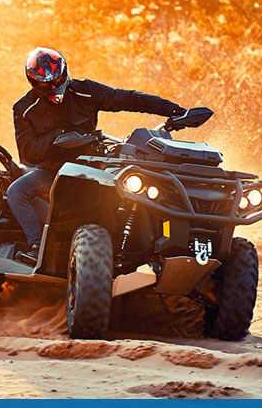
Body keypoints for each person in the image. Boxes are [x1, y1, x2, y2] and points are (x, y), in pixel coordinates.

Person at [9, 47, 185, 263]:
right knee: (16, 191)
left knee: (143, 187)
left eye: (58, 79)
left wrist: (175, 111)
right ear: (34, 82)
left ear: (65, 71)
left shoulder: (86, 90)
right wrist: (58, 138)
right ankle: (36, 247)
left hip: (96, 167)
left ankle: (156, 246)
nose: (54, 86)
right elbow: (28, 151)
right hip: (54, 172)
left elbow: (128, 99)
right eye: (46, 84)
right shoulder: (24, 109)